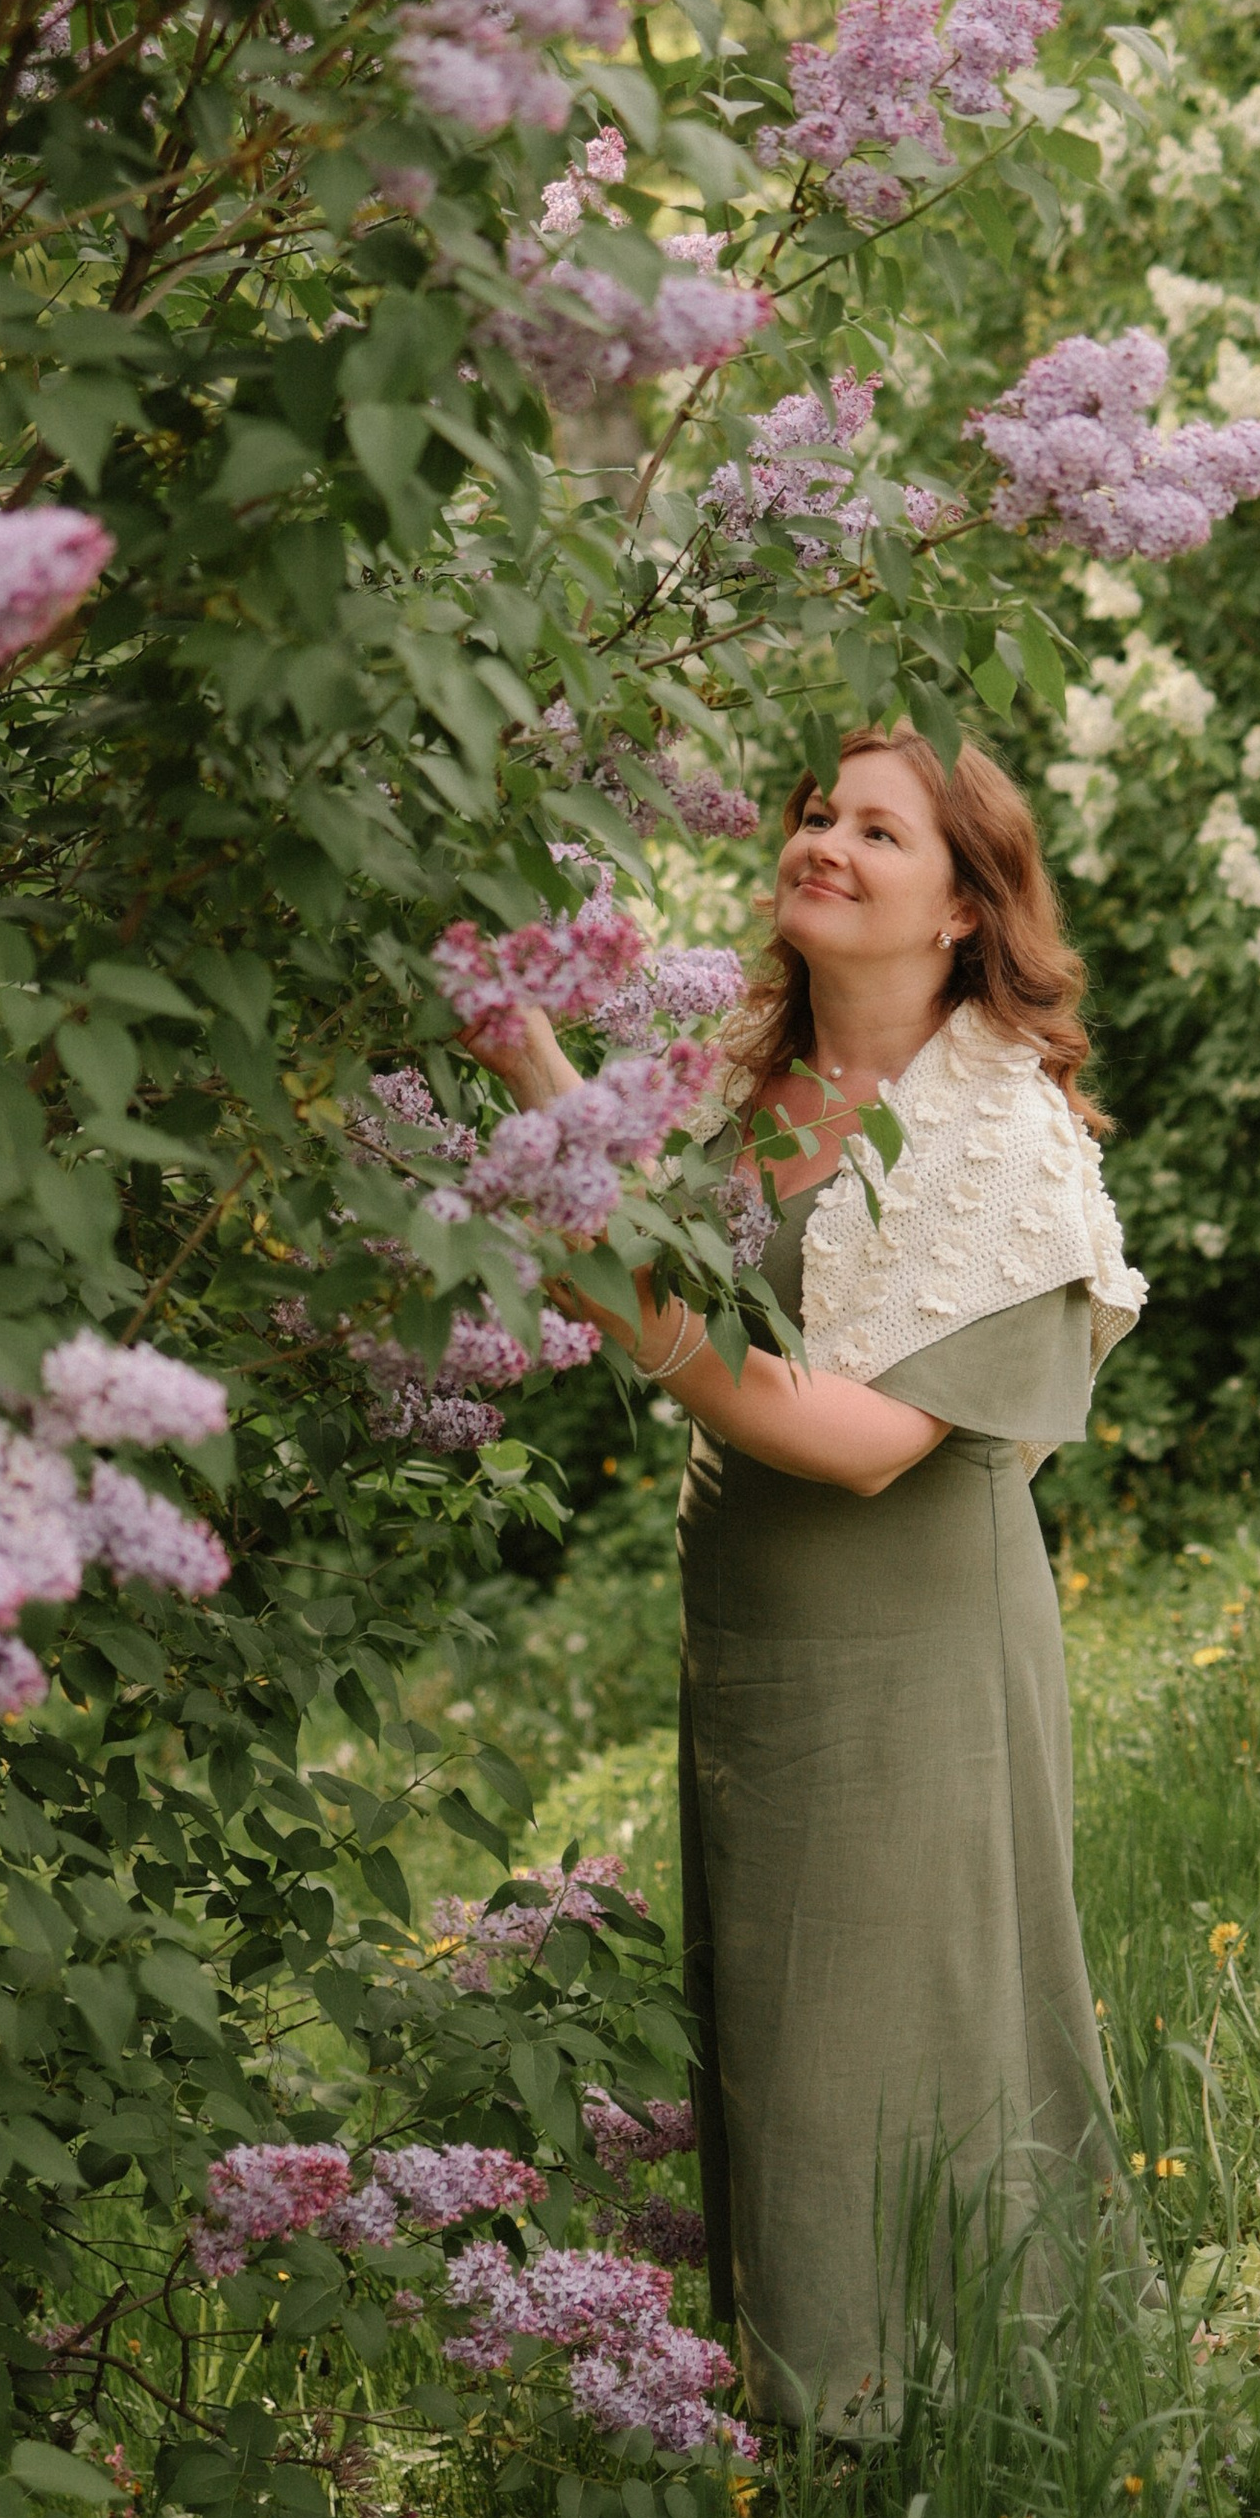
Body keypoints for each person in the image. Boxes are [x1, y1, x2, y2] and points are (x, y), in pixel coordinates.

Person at [465, 722, 1145, 2431]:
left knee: (912, 2028)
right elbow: (647, 1235)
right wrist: (526, 1059)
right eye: (815, 815)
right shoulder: (749, 1087)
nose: (823, 844)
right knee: (781, 2039)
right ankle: (817, 2418)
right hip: (755, 1637)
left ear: (966, 912)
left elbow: (857, 1440)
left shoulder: (1002, 1139)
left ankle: (990, 2412)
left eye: (879, 831)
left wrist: (626, 1309)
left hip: (915, 1642)